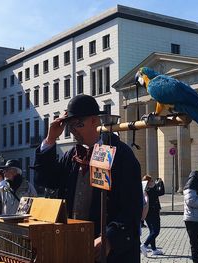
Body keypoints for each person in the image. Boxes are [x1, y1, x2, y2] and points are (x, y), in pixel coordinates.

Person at [33, 94, 143, 262]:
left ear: (94, 121)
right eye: (69, 125)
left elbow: (132, 208)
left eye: (78, 124)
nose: (73, 130)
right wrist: (50, 139)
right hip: (74, 246)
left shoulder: (120, 154)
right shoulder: (71, 155)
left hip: (111, 253)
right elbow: (45, 181)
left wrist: (109, 238)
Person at [140, 175, 165, 257]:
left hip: (147, 213)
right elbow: (161, 192)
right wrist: (161, 183)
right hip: (153, 212)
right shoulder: (150, 190)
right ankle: (145, 245)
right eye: (152, 181)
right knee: (156, 231)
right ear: (149, 182)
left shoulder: (145, 189)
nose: (154, 182)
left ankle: (154, 249)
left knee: (152, 231)